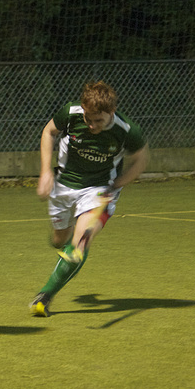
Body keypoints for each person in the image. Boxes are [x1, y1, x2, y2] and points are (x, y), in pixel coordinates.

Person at [30, 80, 149, 317]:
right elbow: (48, 131)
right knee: (58, 240)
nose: (93, 125)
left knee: (80, 244)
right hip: (63, 185)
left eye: (99, 121)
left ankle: (44, 296)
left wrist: (117, 185)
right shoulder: (71, 113)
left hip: (99, 189)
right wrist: (45, 171)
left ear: (112, 113)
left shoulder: (126, 130)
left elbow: (142, 159)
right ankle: (64, 246)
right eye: (89, 119)